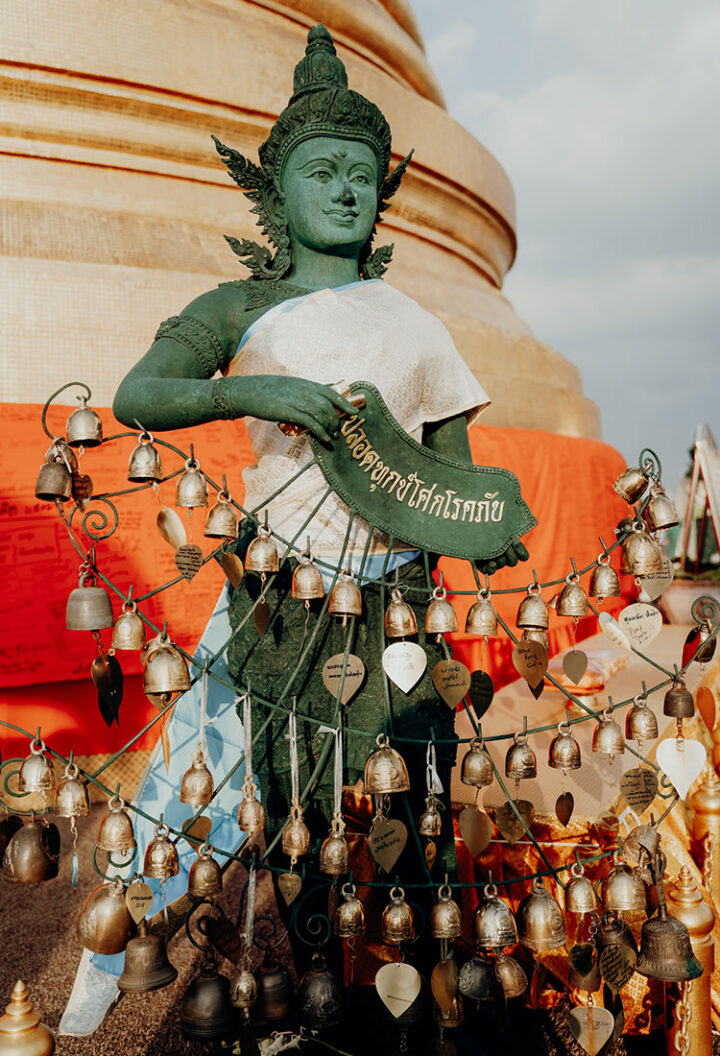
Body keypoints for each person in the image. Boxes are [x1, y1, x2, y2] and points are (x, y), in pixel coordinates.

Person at [59, 23, 528, 1046]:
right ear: (276, 191)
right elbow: (141, 392)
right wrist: (255, 391)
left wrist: (486, 528)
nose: (346, 191)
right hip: (278, 590)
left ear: (382, 195)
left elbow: (447, 472)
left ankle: (394, 997)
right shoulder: (241, 307)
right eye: (323, 171)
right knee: (229, 784)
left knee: (404, 803)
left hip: (394, 601)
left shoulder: (418, 326)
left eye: (362, 175)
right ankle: (131, 953)